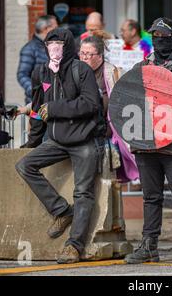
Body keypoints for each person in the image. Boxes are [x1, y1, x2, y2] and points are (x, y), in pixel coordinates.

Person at [15, 28, 105, 264]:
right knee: (25, 165)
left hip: (84, 140)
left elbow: (90, 104)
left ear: (68, 46)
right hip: (56, 140)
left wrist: (56, 109)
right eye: (49, 43)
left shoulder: (81, 69)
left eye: (59, 43)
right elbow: (37, 110)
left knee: (83, 192)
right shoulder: (41, 72)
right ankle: (63, 211)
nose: (54, 48)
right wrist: (32, 142)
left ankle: (74, 246)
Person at [124, 17, 172, 265]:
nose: (158, 40)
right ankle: (149, 244)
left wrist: (150, 94)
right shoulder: (141, 65)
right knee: (151, 196)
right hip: (146, 142)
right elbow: (131, 97)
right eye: (154, 36)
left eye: (162, 36)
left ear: (171, 38)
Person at [79, 33, 139, 183]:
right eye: (82, 53)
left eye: (88, 54)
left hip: (107, 135)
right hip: (82, 134)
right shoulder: (75, 71)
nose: (84, 57)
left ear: (100, 56)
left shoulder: (114, 73)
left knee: (108, 180)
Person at [17, 15, 58, 104]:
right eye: (55, 28)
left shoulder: (53, 46)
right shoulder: (29, 49)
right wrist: (36, 91)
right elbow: (22, 75)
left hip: (55, 102)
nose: (58, 31)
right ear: (46, 29)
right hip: (36, 103)